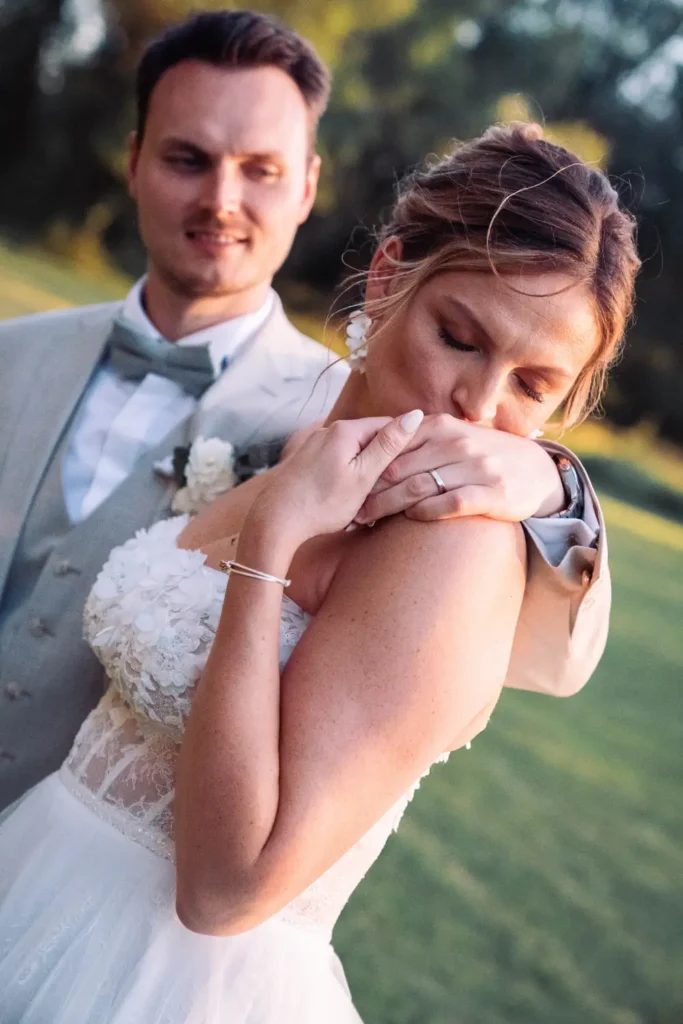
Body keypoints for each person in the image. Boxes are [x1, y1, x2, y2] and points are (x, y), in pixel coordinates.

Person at [0, 122, 639, 1022]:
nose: (481, 406)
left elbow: (227, 894)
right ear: (385, 279)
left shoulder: (453, 543)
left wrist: (270, 546)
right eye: (458, 337)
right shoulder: (287, 436)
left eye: (533, 386)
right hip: (35, 876)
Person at [0, 9, 613, 813]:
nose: (222, 199)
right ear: (134, 161)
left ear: (308, 185)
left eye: (261, 170)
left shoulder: (355, 412)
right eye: (188, 158)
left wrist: (549, 481)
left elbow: (552, 662)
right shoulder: (13, 351)